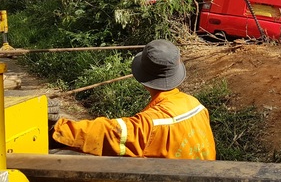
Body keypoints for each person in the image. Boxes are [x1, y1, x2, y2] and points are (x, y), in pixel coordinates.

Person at [51, 39, 216, 160]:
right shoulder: (197, 106)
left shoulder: (150, 125)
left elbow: (109, 132)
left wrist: (56, 130)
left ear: (144, 80)